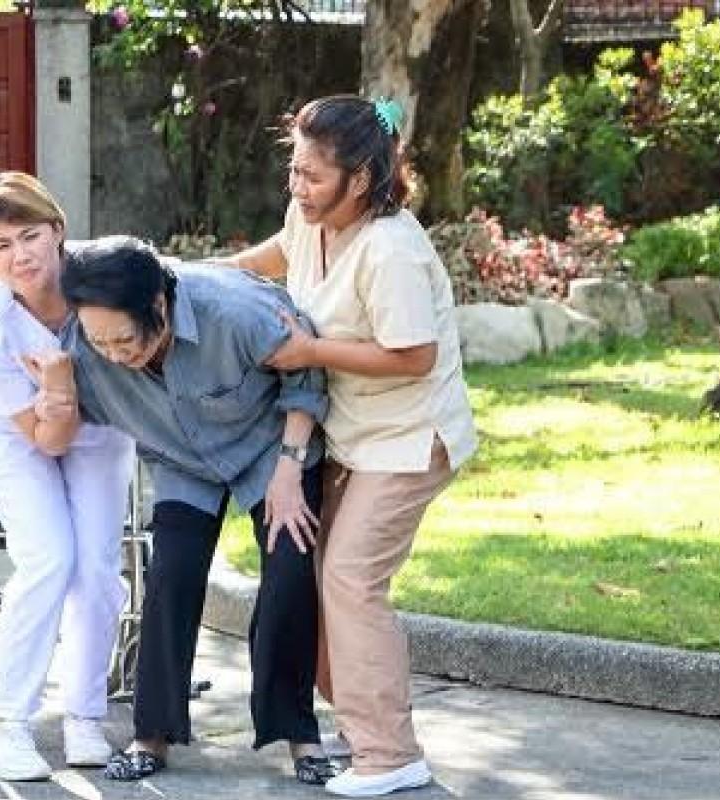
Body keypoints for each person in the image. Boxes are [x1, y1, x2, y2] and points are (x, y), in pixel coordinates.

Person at [231, 95, 478, 797]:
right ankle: (365, 725)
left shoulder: (390, 249)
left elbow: (413, 356)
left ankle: (389, 754)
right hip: (352, 435)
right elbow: (277, 254)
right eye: (294, 169)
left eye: (313, 175)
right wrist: (210, 279)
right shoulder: (309, 220)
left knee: (348, 579)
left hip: (408, 439)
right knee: (312, 581)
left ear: (362, 178)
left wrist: (308, 349)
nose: (297, 187)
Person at [45, 236, 338, 785]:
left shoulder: (236, 312)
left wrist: (290, 469)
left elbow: (305, 375)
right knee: (170, 577)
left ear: (157, 306)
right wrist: (55, 389)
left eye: (124, 339)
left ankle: (299, 735)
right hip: (181, 461)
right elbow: (45, 423)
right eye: (99, 341)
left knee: (289, 573)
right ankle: (151, 734)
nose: (113, 354)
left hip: (269, 449)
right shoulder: (82, 349)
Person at [0, 172, 136, 781]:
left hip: (103, 428)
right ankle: (7, 726)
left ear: (57, 231)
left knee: (97, 568)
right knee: (49, 559)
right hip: (17, 435)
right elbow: (45, 438)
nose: (21, 255)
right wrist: (57, 385)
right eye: (0, 246)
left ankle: (84, 716)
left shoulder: (102, 277)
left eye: (30, 235)